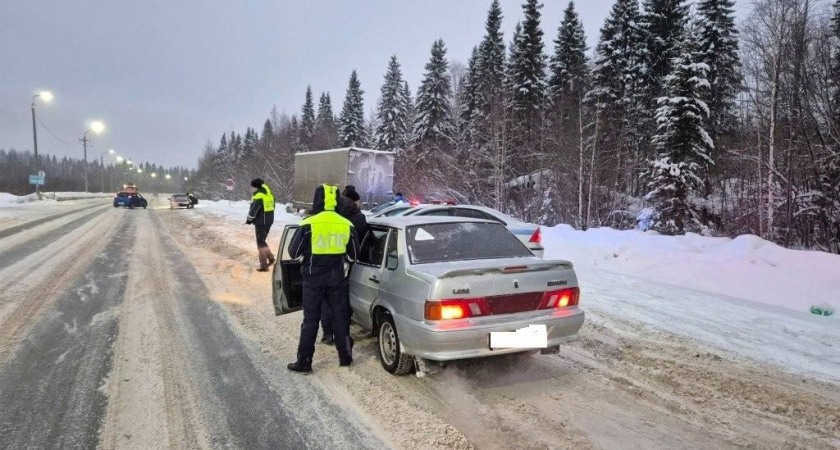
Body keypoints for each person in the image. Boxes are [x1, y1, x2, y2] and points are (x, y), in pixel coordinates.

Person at [287, 185, 359, 373]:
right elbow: (353, 256)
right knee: (340, 318)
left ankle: (304, 362)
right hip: (337, 279)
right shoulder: (346, 224)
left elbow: (293, 252)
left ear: (316, 200)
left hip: (312, 279)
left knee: (310, 320)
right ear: (336, 201)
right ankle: (345, 358)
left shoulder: (308, 223)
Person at [319, 185, 368, 345]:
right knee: (342, 300)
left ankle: (327, 333)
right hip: (347, 263)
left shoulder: (333, 214)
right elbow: (361, 240)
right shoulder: (358, 218)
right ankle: (344, 334)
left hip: (325, 261)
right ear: (355, 201)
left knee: (327, 299)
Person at [245, 178, 275, 272]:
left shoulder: (258, 196)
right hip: (269, 221)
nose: (251, 188)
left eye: (252, 187)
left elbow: (253, 211)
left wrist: (249, 220)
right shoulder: (269, 195)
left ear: (256, 187)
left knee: (260, 243)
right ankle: (271, 258)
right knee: (262, 241)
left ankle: (264, 266)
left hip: (261, 223)